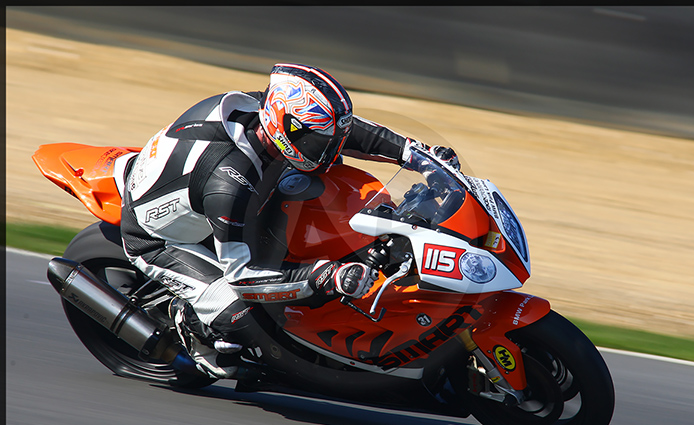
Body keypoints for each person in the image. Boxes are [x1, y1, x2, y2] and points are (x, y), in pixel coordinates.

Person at [120, 63, 459, 379]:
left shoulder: (273, 116)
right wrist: (326, 275)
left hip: (219, 198)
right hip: (163, 240)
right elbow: (244, 277)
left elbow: (345, 131)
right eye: (318, 143)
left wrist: (418, 155)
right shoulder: (230, 183)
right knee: (245, 315)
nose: (332, 151)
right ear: (287, 131)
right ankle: (192, 323)